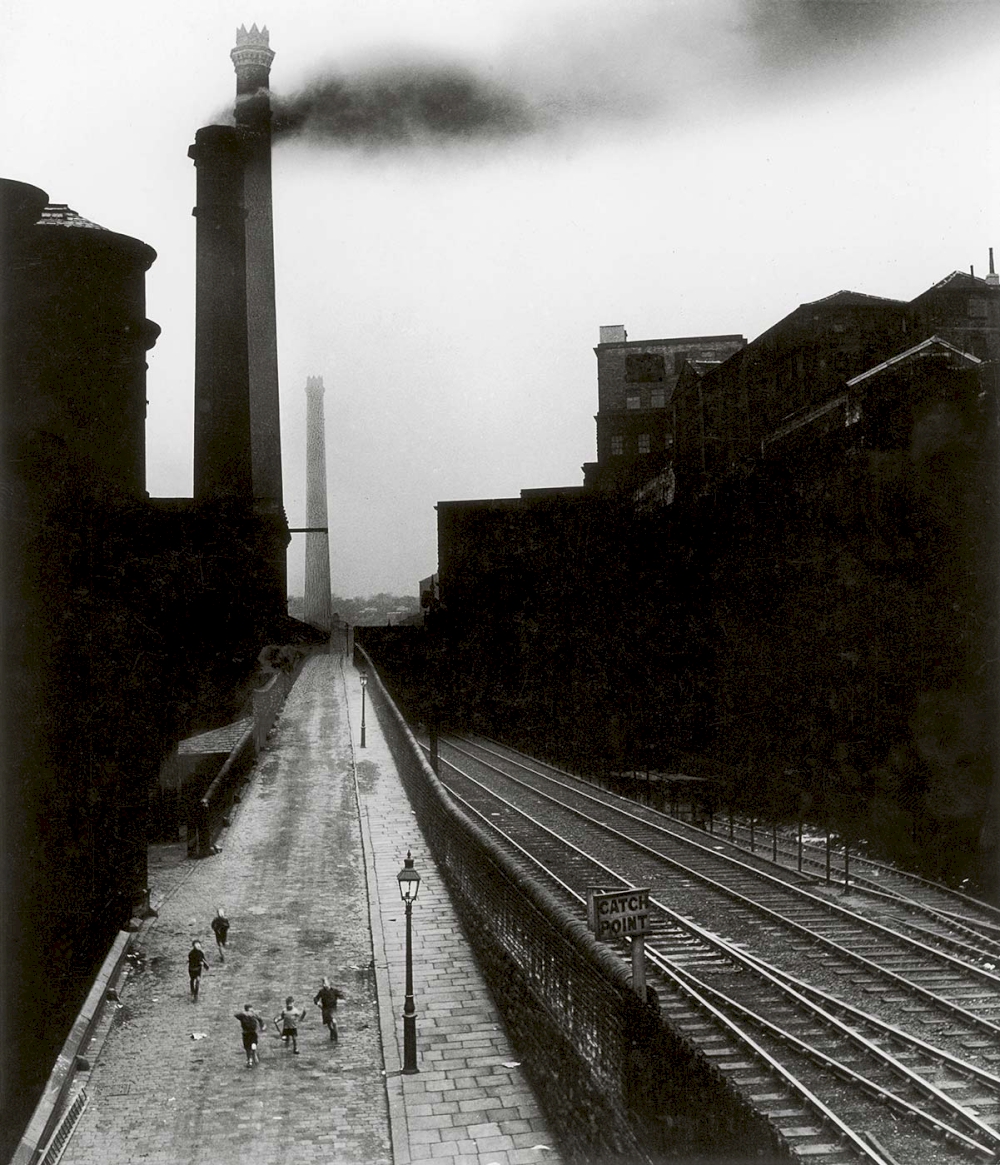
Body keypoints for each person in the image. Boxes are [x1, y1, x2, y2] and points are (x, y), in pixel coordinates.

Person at [313, 977, 345, 1043]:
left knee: (334, 1022)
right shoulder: (321, 992)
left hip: (332, 1009)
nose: (324, 985)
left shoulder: (334, 991)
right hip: (325, 1009)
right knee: (329, 1025)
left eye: (325, 983)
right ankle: (332, 1034)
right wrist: (317, 1003)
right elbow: (316, 998)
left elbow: (342, 996)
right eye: (323, 984)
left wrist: (341, 1000)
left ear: (329, 983)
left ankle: (336, 1039)